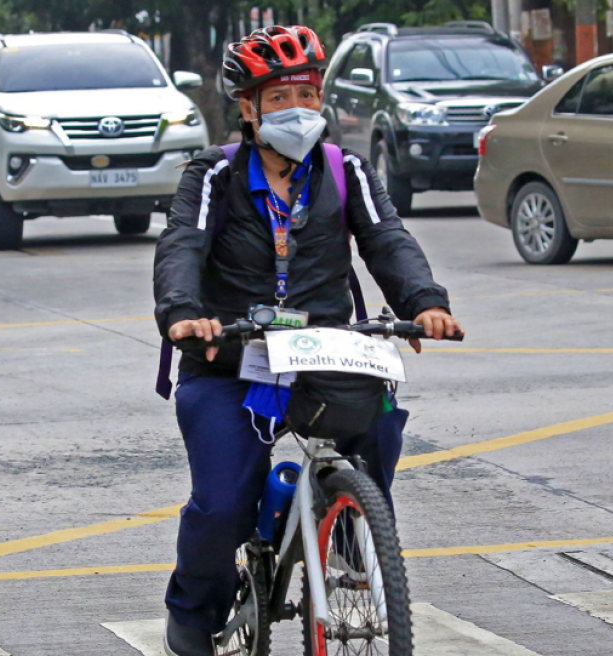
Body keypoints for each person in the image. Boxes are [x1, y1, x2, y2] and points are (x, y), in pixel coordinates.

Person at [152, 25, 463, 656]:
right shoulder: (212, 173)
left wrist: (425, 304)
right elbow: (183, 242)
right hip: (230, 357)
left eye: (307, 93)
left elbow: (388, 241)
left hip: (326, 350)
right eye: (278, 96)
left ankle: (353, 527)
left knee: (379, 423)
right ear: (247, 108)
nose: (297, 107)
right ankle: (193, 606)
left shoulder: (346, 171)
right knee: (221, 507)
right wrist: (185, 314)